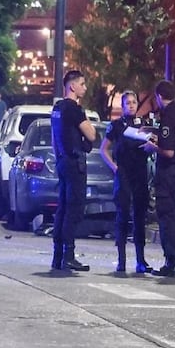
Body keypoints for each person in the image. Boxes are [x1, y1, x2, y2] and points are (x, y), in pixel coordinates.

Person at [141, 80, 175, 278]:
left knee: (167, 218)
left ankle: (170, 262)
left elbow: (169, 151)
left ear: (160, 97)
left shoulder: (169, 115)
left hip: (169, 174)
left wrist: (153, 147)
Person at [100, 91, 154, 273]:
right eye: (127, 103)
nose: (131, 105)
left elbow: (154, 145)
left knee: (140, 216)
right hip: (123, 173)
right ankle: (121, 260)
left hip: (140, 173)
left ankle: (141, 260)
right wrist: (114, 167)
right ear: (122, 106)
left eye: (133, 102)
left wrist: (151, 147)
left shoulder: (144, 125)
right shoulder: (116, 125)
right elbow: (104, 149)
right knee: (122, 215)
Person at [50, 70, 96, 271]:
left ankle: (58, 254)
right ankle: (69, 254)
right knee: (74, 208)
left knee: (62, 208)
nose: (84, 88)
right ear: (72, 86)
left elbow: (54, 138)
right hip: (75, 162)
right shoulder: (73, 109)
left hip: (62, 161)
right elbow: (92, 135)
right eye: (82, 84)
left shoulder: (57, 108)